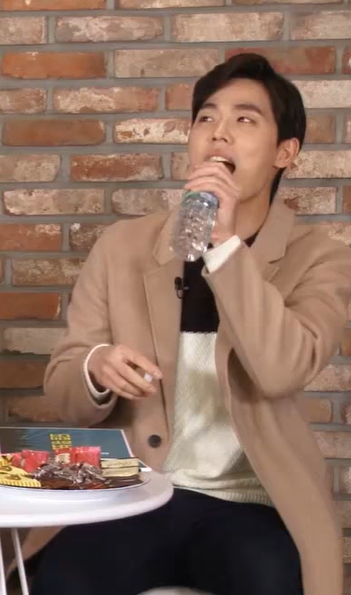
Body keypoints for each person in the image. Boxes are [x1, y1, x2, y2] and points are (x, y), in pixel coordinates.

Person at [31, 53, 351, 595]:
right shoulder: (122, 246)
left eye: (244, 119)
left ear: (285, 152)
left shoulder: (321, 258)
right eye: (206, 118)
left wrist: (223, 244)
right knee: (64, 580)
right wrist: (96, 366)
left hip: (251, 505)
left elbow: (282, 370)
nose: (219, 132)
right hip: (135, 493)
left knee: (272, 579)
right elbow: (65, 390)